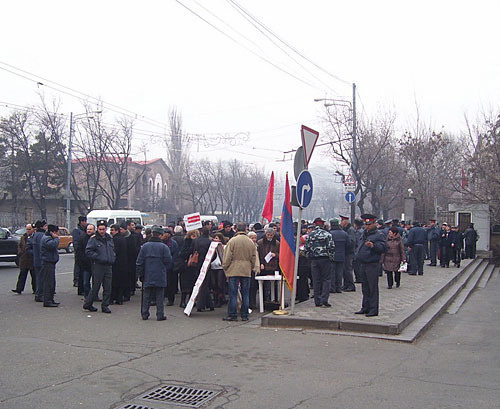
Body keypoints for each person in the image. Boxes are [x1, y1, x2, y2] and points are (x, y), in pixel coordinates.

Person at [222, 222, 258, 321]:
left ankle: (232, 314)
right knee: (245, 293)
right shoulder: (250, 242)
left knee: (233, 293)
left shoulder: (232, 241)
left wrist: (225, 267)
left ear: (236, 229)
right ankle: (244, 315)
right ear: (245, 229)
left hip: (234, 269)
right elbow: (254, 257)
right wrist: (252, 267)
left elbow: (228, 256)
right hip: (246, 270)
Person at [136, 226, 172, 321]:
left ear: (152, 234)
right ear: (160, 235)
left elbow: (139, 261)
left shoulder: (145, 246)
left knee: (146, 295)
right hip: (160, 274)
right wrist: (164, 270)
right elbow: (169, 261)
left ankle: (144, 314)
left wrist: (140, 274)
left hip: (147, 274)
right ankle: (160, 315)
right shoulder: (164, 247)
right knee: (159, 296)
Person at [355, 214, 386, 317]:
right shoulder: (364, 234)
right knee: (365, 287)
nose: (367, 226)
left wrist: (373, 246)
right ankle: (365, 307)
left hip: (372, 263)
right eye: (365, 224)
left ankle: (373, 309)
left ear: (374, 224)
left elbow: (383, 248)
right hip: (363, 263)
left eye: (369, 224)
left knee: (372, 287)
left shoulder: (379, 235)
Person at [83, 220, 115, 313]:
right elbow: (88, 251)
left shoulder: (109, 238)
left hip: (108, 265)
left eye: (103, 229)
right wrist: (98, 257)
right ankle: (88, 304)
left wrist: (113, 257)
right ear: (97, 229)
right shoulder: (94, 239)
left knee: (108, 287)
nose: (102, 231)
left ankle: (105, 305)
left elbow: (112, 249)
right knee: (96, 286)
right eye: (100, 229)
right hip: (98, 265)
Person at [304, 217, 335, 308]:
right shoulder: (327, 234)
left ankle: (317, 300)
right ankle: (324, 299)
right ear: (322, 225)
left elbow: (306, 248)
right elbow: (331, 247)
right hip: (325, 259)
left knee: (316, 280)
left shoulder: (310, 235)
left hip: (314, 260)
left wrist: (309, 257)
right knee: (326, 279)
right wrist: (331, 258)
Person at [193, 223, 214, 312]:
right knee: (205, 284)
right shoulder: (210, 242)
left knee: (202, 284)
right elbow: (214, 254)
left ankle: (205, 304)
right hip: (207, 264)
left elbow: (193, 251)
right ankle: (204, 304)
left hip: (197, 264)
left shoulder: (196, 241)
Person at [257, 227, 280, 303]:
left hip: (273, 265)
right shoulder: (260, 242)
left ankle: (275, 299)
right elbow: (259, 254)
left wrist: (275, 255)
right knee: (264, 284)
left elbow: (280, 254)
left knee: (275, 284)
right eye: (268, 234)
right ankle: (265, 299)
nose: (269, 236)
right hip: (264, 265)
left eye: (271, 235)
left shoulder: (277, 243)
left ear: (273, 235)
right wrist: (261, 263)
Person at [178, 229, 200, 308]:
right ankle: (183, 301)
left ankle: (191, 301)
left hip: (192, 267)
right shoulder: (186, 242)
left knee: (192, 285)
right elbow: (182, 254)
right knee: (185, 286)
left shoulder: (196, 243)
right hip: (186, 266)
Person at [40, 225, 60, 307]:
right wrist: (56, 238)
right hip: (47, 262)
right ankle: (47, 300)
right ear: (53, 232)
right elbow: (53, 245)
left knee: (51, 282)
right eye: (57, 232)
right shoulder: (46, 239)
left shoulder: (47, 237)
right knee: (48, 283)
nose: (58, 234)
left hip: (50, 262)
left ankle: (50, 299)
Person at [12, 224, 35, 294]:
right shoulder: (23, 237)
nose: (28, 231)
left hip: (32, 259)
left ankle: (35, 289)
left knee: (34, 276)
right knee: (22, 275)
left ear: (33, 230)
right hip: (24, 259)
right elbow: (20, 246)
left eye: (29, 229)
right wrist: (21, 252)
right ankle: (19, 289)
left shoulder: (34, 237)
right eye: (27, 229)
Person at [329, 218, 348, 293]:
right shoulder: (344, 233)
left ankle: (332, 288)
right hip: (341, 255)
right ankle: (339, 288)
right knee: (339, 272)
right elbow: (349, 244)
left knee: (332, 272)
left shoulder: (329, 234)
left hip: (332, 256)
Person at [75, 224, 95, 298]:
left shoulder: (96, 238)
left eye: (90, 229)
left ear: (94, 230)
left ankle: (93, 295)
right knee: (85, 282)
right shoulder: (82, 238)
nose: (89, 231)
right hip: (85, 264)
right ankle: (88, 296)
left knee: (95, 282)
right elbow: (79, 251)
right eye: (88, 229)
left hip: (94, 264)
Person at [110, 224, 128, 304]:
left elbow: (115, 252)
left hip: (116, 264)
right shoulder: (123, 239)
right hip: (123, 264)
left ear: (116, 230)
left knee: (114, 282)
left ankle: (113, 298)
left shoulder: (115, 239)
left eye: (112, 230)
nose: (111, 232)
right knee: (121, 282)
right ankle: (119, 299)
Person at [30, 220, 47, 302]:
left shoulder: (35, 235)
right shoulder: (41, 235)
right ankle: (40, 295)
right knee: (41, 279)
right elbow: (43, 248)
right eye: (45, 226)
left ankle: (38, 294)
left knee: (38, 278)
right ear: (42, 227)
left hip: (36, 260)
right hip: (41, 260)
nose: (46, 227)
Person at [72, 216, 88, 293]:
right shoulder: (76, 231)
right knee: (78, 267)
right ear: (81, 222)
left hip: (83, 252)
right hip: (79, 252)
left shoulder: (83, 230)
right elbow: (76, 242)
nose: (85, 223)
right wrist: (77, 250)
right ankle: (76, 280)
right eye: (84, 221)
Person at [340, 215, 356, 292]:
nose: (341, 222)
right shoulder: (345, 229)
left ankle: (351, 285)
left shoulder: (350, 230)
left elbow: (352, 242)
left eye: (342, 221)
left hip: (348, 253)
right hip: (345, 253)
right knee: (344, 270)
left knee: (348, 269)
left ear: (346, 221)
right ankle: (346, 285)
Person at [212, 232, 228, 308]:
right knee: (214, 284)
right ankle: (215, 299)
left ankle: (220, 299)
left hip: (220, 268)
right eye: (214, 238)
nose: (215, 240)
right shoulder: (211, 247)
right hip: (213, 267)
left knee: (220, 284)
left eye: (216, 238)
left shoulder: (224, 247)